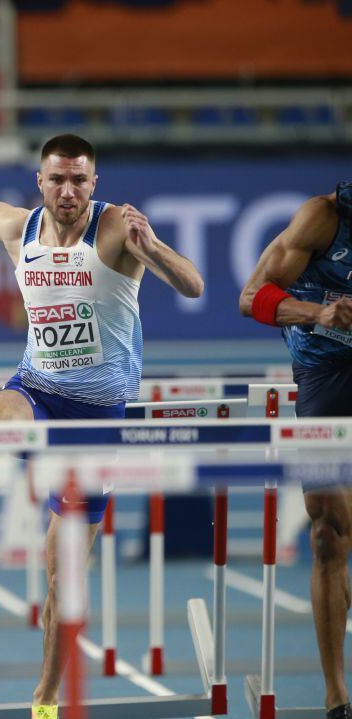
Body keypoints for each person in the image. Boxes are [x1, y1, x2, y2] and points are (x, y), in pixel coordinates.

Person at [0, 135, 204, 719]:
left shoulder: (115, 232)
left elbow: (194, 286)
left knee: (63, 584)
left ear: (94, 184)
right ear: (41, 181)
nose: (69, 191)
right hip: (38, 390)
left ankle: (46, 699)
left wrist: (152, 249)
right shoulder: (21, 228)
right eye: (58, 179)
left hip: (97, 420)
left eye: (80, 179)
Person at [239, 182, 352, 719]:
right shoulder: (323, 218)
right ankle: (336, 696)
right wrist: (316, 312)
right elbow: (251, 297)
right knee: (328, 532)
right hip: (323, 373)